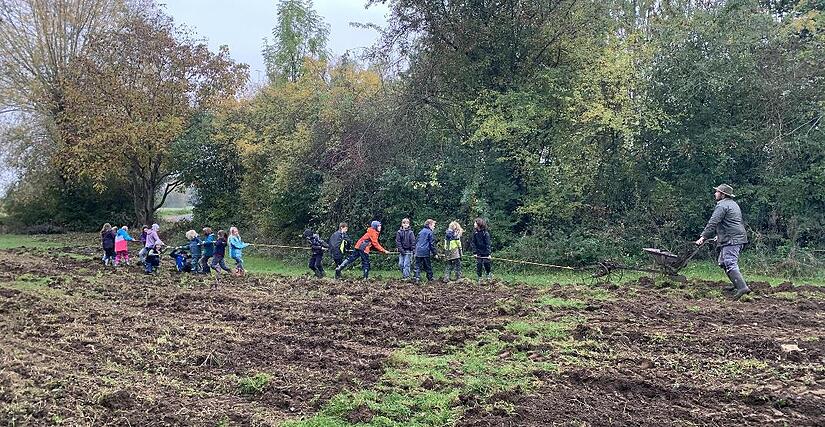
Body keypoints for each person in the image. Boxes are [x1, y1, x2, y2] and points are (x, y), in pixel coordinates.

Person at [695, 184, 751, 300]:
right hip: (735, 237)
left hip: (732, 239)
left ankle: (742, 287)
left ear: (723, 194)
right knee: (723, 262)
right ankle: (736, 284)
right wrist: (718, 236)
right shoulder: (733, 204)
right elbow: (730, 223)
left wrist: (703, 237)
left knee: (730, 262)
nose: (715, 193)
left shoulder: (722, 205)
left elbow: (713, 222)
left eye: (717, 192)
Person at [470, 218, 493, 283]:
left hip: (485, 252)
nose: (474, 224)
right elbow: (473, 243)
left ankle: (488, 274)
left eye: (475, 223)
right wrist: (474, 252)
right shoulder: (475, 233)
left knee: (486, 263)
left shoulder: (485, 233)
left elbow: (488, 244)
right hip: (478, 252)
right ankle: (480, 277)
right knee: (479, 264)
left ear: (478, 224)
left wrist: (488, 254)